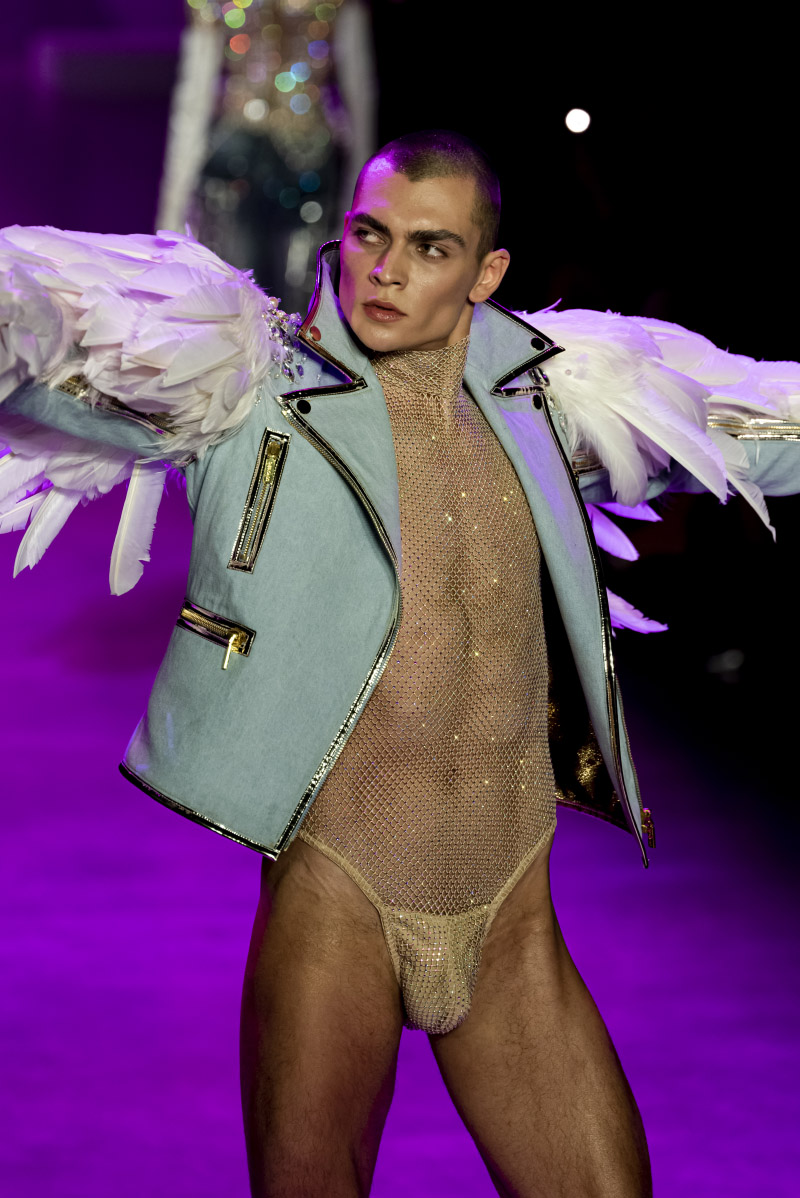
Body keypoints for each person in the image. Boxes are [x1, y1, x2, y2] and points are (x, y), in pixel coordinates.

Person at [2, 130, 798, 1197]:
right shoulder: (249, 389)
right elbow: (54, 373)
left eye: (430, 248)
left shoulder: (551, 406)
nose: (385, 270)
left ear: (486, 271)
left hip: (511, 923)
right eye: (370, 235)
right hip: (339, 905)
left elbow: (757, 432)